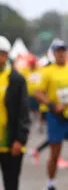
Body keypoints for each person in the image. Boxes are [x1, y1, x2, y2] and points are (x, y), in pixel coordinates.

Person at [35, 39, 68, 190]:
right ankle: (51, 183)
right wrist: (52, 105)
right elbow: (38, 93)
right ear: (53, 53)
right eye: (58, 51)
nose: (61, 54)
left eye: (63, 51)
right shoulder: (47, 71)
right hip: (56, 117)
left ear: (67, 52)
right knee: (54, 153)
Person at [0, 36, 30, 190]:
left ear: (6, 56)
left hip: (10, 142)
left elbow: (23, 112)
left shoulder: (16, 79)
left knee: (10, 183)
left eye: (1, 53)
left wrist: (20, 139)